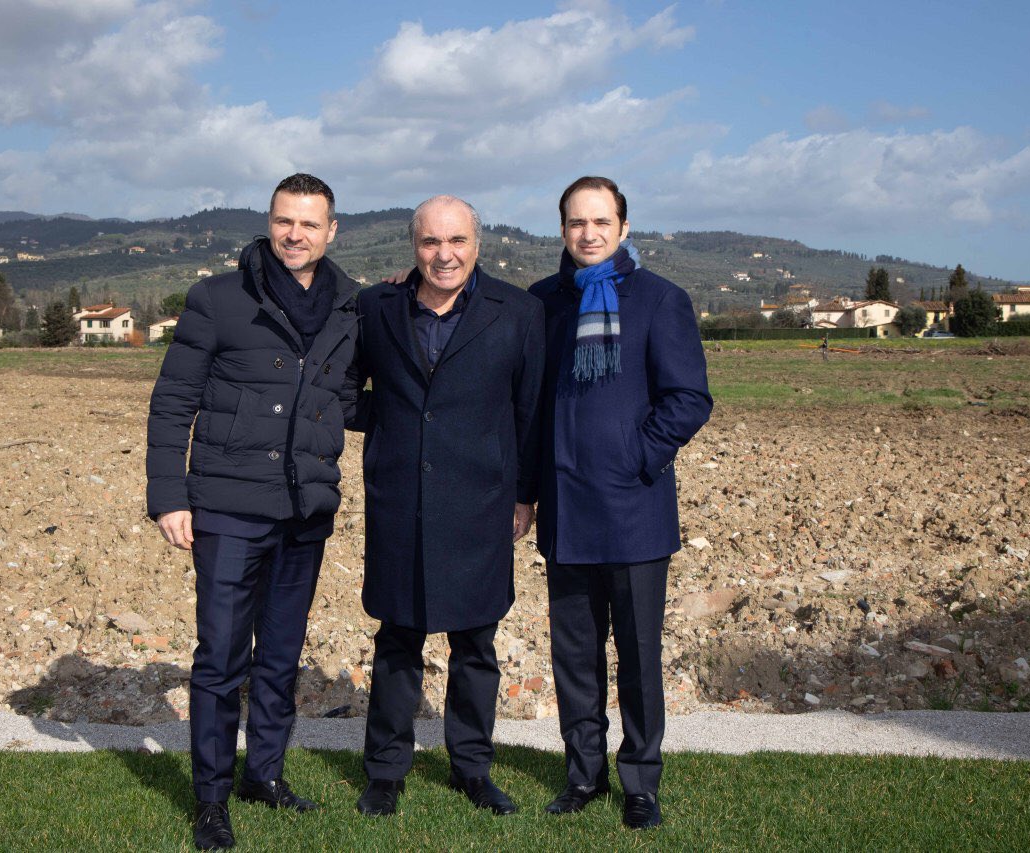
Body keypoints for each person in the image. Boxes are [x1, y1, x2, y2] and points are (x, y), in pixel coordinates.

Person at [146, 173, 360, 850]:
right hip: (228, 505)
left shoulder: (353, 308)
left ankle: (262, 773)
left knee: (281, 654)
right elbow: (172, 399)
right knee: (221, 656)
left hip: (304, 509)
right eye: (283, 221)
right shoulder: (217, 298)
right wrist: (169, 495)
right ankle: (211, 797)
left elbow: (353, 400)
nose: (294, 234)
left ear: (332, 231)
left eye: (309, 223)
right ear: (270, 222)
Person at [347, 195, 544, 818]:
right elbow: (346, 388)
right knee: (398, 640)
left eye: (456, 241)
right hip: (399, 499)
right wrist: (399, 427)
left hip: (480, 503)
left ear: (477, 246)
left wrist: (523, 496)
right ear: (414, 246)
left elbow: (530, 412)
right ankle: (385, 770)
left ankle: (472, 769)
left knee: (476, 643)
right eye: (431, 242)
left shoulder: (519, 312)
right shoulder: (376, 306)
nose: (444, 254)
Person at [527, 176, 712, 830]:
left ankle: (641, 782)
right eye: (577, 222)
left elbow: (689, 398)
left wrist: (638, 453)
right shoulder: (543, 302)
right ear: (563, 230)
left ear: (624, 227)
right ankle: (582, 774)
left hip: (635, 510)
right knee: (574, 656)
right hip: (567, 511)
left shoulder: (661, 300)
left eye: (601, 221)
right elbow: (529, 409)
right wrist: (527, 491)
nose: (589, 233)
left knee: (637, 657)